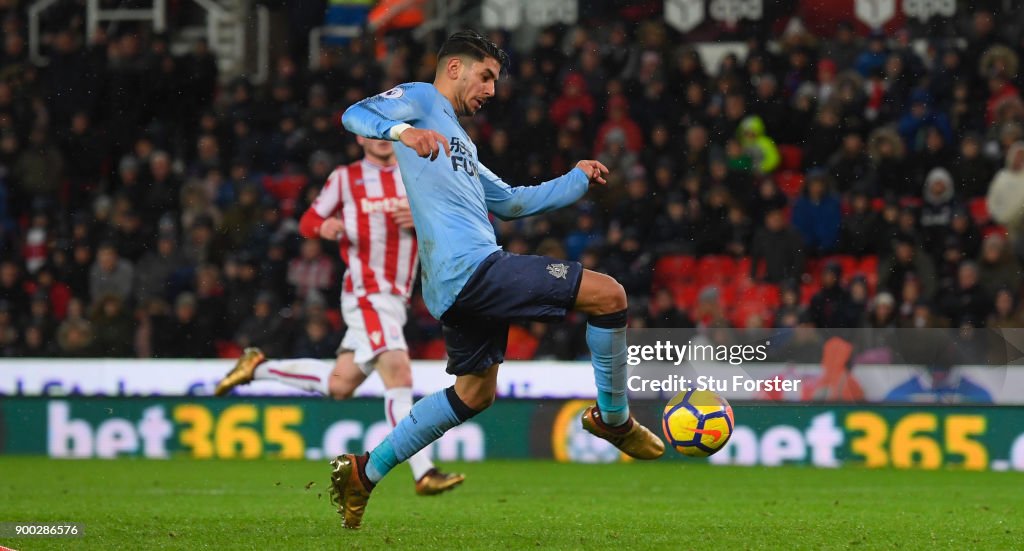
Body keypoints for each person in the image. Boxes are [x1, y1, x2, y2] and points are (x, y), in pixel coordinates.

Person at [334, 30, 663, 529]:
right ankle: (613, 419)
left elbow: (509, 201)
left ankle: (365, 472)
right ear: (453, 69)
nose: (490, 90)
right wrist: (404, 134)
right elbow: (354, 114)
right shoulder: (422, 99)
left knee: (474, 393)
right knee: (609, 295)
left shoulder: (460, 141)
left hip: (456, 284)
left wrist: (576, 178)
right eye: (485, 77)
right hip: (473, 269)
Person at [213, 136, 463, 496]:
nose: (378, 140)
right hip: (366, 293)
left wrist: (422, 217)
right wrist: (324, 227)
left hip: (396, 297)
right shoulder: (346, 178)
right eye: (371, 134)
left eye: (385, 133)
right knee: (399, 372)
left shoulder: (416, 175)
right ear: (360, 137)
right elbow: (308, 220)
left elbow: (450, 218)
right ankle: (423, 471)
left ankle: (258, 366)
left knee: (340, 384)